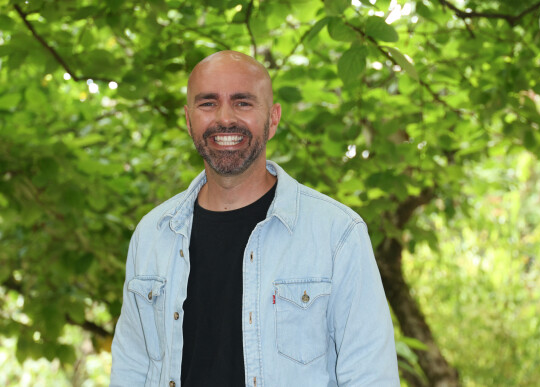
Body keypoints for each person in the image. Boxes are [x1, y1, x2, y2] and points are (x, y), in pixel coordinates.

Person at [110, 50, 400, 387]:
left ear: (273, 119)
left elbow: (371, 376)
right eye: (208, 103)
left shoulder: (337, 234)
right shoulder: (152, 235)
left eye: (243, 102)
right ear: (189, 120)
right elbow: (131, 369)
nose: (225, 118)